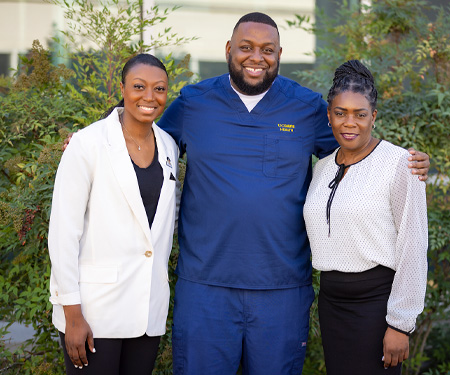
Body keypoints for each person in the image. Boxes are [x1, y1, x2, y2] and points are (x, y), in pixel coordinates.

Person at [157, 12, 430, 375]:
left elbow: (356, 144)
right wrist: (93, 141)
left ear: (280, 54)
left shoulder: (306, 108)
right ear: (228, 50)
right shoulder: (193, 104)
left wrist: (410, 164)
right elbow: (143, 142)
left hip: (282, 290)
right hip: (206, 286)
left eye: (267, 49)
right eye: (246, 47)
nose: (257, 57)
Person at [48, 53, 180, 375]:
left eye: (159, 89)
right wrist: (72, 316)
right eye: (139, 86)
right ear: (122, 89)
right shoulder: (87, 144)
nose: (149, 97)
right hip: (95, 313)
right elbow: (63, 233)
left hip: (146, 312)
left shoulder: (168, 146)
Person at [303, 60, 428, 374]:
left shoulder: (401, 163)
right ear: (329, 115)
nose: (350, 123)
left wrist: (401, 324)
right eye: (340, 113)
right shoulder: (322, 167)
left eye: (360, 114)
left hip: (376, 304)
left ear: (373, 117)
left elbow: (413, 246)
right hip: (331, 302)